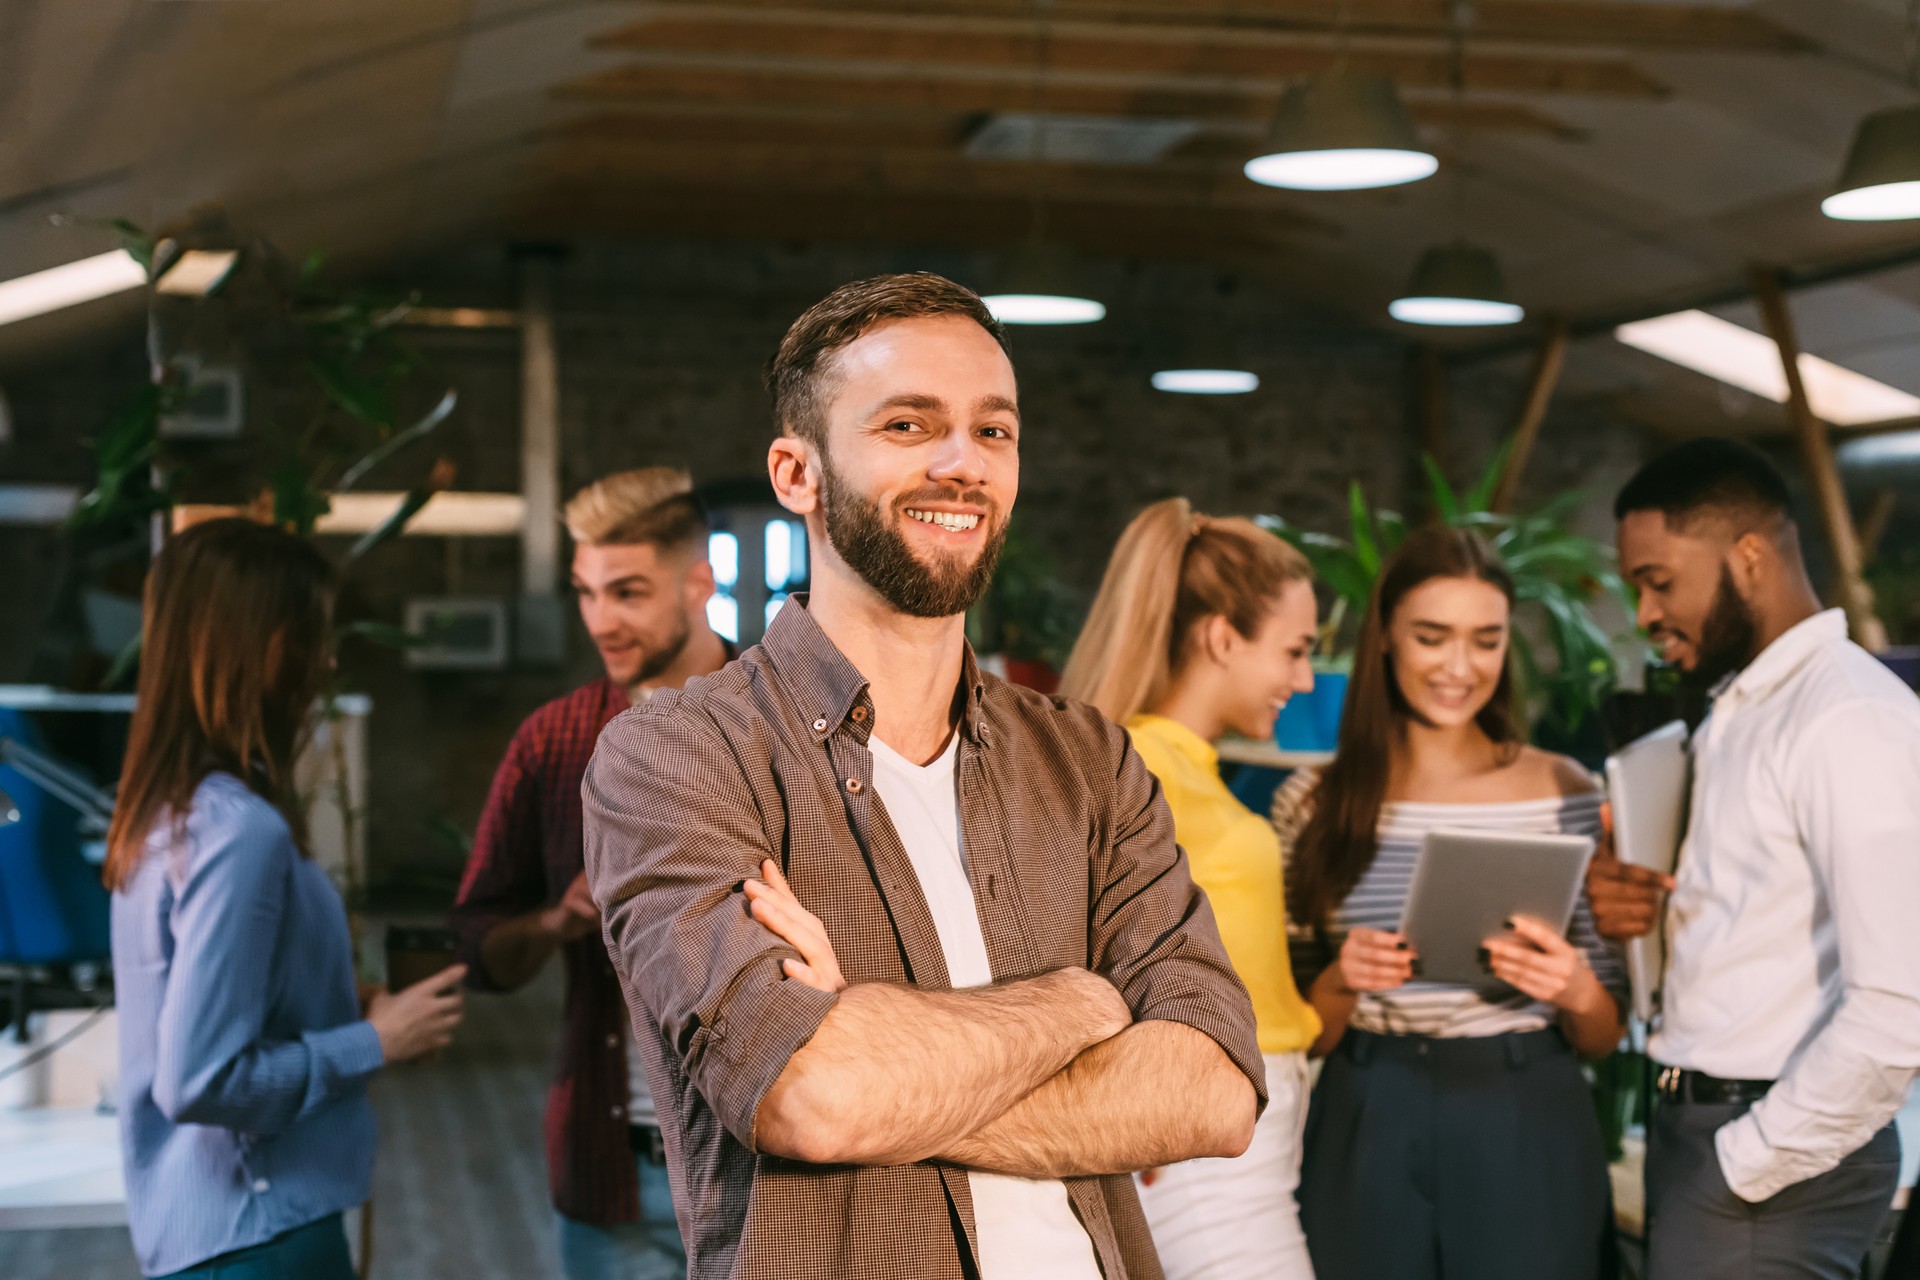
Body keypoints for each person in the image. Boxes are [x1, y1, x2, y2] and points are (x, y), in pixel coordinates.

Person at [581, 273, 1265, 1280]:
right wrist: (1083, 1003)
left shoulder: (1088, 760)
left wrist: (876, 1052)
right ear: (796, 471)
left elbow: (1212, 1089)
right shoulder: (678, 756)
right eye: (910, 424)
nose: (963, 463)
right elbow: (810, 1096)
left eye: (995, 431)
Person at [1585, 437, 1920, 1279]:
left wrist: (1747, 1162)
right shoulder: (1741, 706)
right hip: (1706, 1133)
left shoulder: (1848, 718)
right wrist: (1640, 913)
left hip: (1767, 1160)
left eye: (1659, 581)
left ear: (1749, 556)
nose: (1647, 614)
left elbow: (1902, 1006)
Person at [108, 519, 465, 1280]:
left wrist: (344, 999)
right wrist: (378, 1041)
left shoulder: (166, 814)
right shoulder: (241, 832)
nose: (327, 661)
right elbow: (201, 1079)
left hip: (206, 1233)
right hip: (259, 1237)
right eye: (310, 636)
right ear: (256, 646)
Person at [1276, 524, 1626, 1280]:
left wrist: (1574, 988)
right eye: (1432, 637)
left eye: (1487, 640)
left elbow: (1604, 1031)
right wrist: (1342, 979)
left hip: (1527, 1101)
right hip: (1366, 1108)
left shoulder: (1568, 791)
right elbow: (1294, 1032)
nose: (1460, 667)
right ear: (1385, 641)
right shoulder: (1312, 803)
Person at [449, 467, 731, 1280]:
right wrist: (553, 922)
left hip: (763, 1173)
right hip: (614, 1175)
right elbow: (475, 945)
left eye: (629, 593)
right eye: (587, 592)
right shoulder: (554, 741)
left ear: (698, 584)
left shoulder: (783, 725)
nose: (602, 620)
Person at [1057, 497, 1323, 1279]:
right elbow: (1068, 944)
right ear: (1222, 638)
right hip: (1206, 1152)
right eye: (1294, 650)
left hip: (1246, 1138)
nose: (1304, 679)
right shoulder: (1141, 768)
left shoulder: (1186, 767)